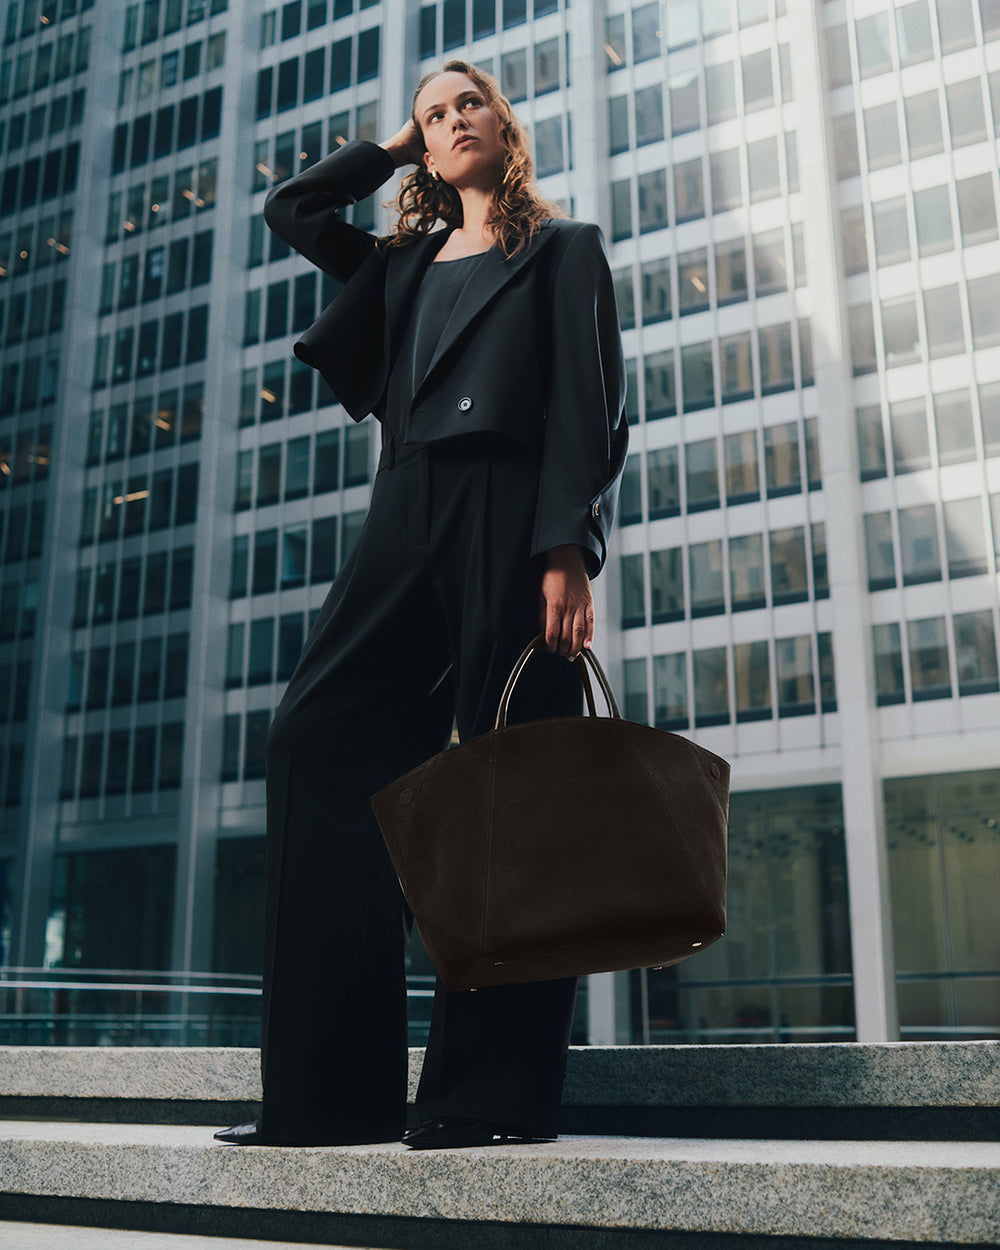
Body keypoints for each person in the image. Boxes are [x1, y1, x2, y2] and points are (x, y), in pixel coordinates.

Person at [214, 59, 627, 1151]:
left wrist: (567, 547)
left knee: (514, 777)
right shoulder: (399, 264)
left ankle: (487, 1096)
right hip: (402, 510)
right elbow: (293, 209)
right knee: (314, 739)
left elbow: (590, 404)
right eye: (433, 113)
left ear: (503, 121)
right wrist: (392, 149)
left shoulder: (564, 249)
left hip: (511, 513)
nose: (451, 119)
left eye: (466, 103)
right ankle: (326, 1094)